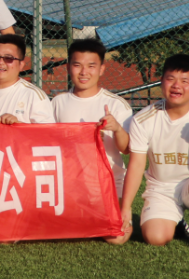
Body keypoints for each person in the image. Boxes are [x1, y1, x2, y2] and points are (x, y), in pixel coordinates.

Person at [120, 54, 189, 250]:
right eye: (171, 79)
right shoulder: (143, 119)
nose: (177, 86)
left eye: (185, 81)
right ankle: (176, 223)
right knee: (155, 237)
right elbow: (136, 165)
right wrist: (125, 208)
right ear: (161, 82)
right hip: (162, 188)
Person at [52, 38, 133, 210]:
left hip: (109, 182)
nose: (84, 72)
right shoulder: (58, 102)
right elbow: (45, 141)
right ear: (68, 67)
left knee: (116, 229)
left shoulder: (116, 104)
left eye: (91, 66)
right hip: (68, 182)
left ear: (101, 69)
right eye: (77, 65)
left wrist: (117, 128)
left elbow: (126, 149)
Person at [0, 35, 55, 124]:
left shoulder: (33, 95)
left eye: (8, 58)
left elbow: (47, 131)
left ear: (21, 65)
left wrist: (18, 125)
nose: (0, 62)